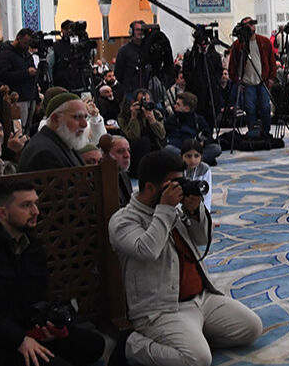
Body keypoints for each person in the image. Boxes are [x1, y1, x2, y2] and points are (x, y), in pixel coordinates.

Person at [109, 151, 262, 366]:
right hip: (162, 309)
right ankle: (130, 345)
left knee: (251, 328)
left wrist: (194, 211)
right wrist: (165, 209)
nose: (179, 189)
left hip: (202, 298)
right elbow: (147, 250)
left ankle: (192, 336)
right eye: (172, 184)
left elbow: (202, 238)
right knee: (198, 360)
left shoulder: (173, 210)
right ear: (151, 188)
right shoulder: (123, 220)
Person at [0, 179, 107, 366]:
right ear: (2, 212)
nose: (36, 211)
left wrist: (45, 324)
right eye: (26, 205)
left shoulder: (30, 244)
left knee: (92, 344)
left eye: (35, 203)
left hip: (22, 329)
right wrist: (19, 339)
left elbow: (37, 295)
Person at [17, 94, 89, 172]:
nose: (85, 124)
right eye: (77, 117)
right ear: (55, 119)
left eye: (85, 117)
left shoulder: (64, 143)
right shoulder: (45, 154)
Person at [0, 28, 40, 129]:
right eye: (25, 43)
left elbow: (33, 78)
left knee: (30, 126)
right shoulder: (5, 54)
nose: (27, 46)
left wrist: (37, 99)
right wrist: (26, 73)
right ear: (18, 38)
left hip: (30, 95)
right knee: (20, 127)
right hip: (17, 97)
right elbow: (2, 75)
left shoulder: (26, 53)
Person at [164, 92, 222, 165]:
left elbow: (208, 136)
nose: (175, 106)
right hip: (181, 149)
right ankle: (197, 160)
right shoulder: (172, 119)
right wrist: (188, 144)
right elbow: (170, 139)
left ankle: (190, 161)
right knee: (168, 149)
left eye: (178, 104)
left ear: (186, 108)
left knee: (216, 148)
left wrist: (202, 143)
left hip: (197, 150)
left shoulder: (199, 119)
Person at [100, 133, 135, 205]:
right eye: (120, 151)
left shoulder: (123, 174)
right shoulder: (101, 180)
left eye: (128, 150)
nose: (127, 155)